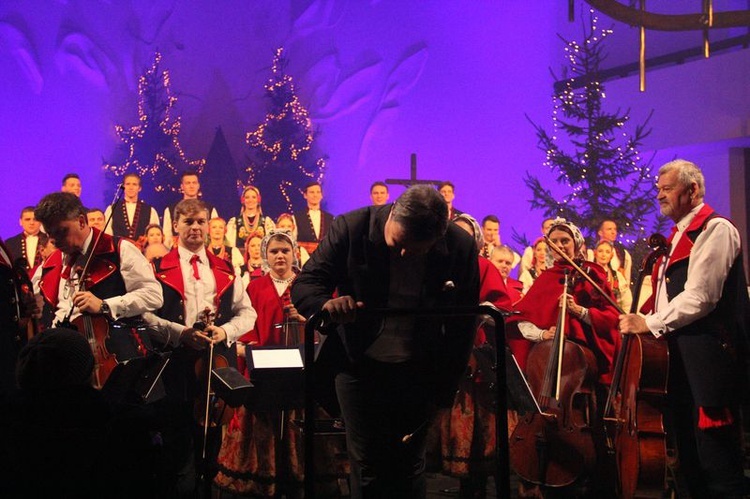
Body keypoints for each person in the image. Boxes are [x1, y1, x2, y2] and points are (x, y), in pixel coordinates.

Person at [292, 184, 480, 498]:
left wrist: (445, 390)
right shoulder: (352, 228)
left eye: (417, 249)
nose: (405, 254)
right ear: (392, 214)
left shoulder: (460, 245)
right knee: (367, 466)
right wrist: (326, 305)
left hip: (419, 368)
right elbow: (306, 284)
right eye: (399, 244)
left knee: (409, 466)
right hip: (358, 365)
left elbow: (463, 325)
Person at [619, 159, 749, 498]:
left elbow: (701, 297)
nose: (660, 196)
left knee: (717, 465)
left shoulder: (716, 229)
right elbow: (665, 300)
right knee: (689, 465)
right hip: (678, 365)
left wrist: (648, 323)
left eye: (667, 189)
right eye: (658, 189)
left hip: (709, 364)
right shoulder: (676, 239)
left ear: (692, 190)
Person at [215, 230, 348, 497]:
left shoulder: (304, 286)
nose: (280, 256)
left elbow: (326, 325)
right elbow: (246, 322)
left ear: (294, 254)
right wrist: (249, 345)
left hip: (302, 372)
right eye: (274, 251)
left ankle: (298, 476)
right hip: (265, 373)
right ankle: (265, 477)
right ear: (266, 255)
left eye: (285, 251)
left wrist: (303, 319)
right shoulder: (254, 286)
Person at [143, 198, 256, 497]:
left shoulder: (225, 267)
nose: (195, 227)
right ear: (176, 225)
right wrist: (181, 333)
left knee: (213, 447)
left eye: (200, 222)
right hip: (174, 367)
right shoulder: (156, 268)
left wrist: (223, 330)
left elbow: (248, 314)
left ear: (208, 225)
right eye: (188, 222)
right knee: (176, 447)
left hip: (216, 364)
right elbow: (144, 317)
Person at [33, 192, 163, 361]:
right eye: (49, 233)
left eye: (61, 231)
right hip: (72, 362)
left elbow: (153, 295)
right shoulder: (52, 262)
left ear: (81, 221)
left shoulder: (120, 249)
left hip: (122, 356)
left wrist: (105, 305)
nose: (54, 240)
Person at [434, 214, 511, 499]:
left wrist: (482, 309)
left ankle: (478, 483)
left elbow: (501, 305)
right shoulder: (440, 266)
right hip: (447, 356)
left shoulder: (484, 266)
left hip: (477, 360)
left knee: (481, 425)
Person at [511, 218, 620, 384]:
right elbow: (521, 319)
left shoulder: (591, 275)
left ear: (576, 243)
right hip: (547, 359)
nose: (559, 246)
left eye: (565, 241)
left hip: (584, 359)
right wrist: (542, 334)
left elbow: (611, 317)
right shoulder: (545, 278)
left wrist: (580, 311)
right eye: (554, 241)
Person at [163, 171, 218, 249]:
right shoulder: (170, 210)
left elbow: (214, 232)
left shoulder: (210, 209)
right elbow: (167, 237)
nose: (191, 186)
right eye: (188, 183)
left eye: (194, 183)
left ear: (198, 185)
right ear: (182, 186)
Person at [104, 173, 160, 240]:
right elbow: (107, 234)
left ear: (139, 188)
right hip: (119, 249)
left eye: (134, 184)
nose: (131, 187)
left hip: (141, 250)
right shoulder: (111, 209)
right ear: (123, 186)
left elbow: (155, 233)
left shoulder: (150, 210)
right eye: (128, 184)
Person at [227, 185, 275, 253]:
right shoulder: (234, 222)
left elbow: (271, 245)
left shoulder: (267, 222)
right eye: (247, 197)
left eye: (254, 197)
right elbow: (230, 245)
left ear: (258, 200)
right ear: (243, 200)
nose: (250, 200)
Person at [587, 219, 632, 285]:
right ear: (600, 232)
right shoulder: (590, 253)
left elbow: (627, 279)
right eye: (609, 229)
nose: (613, 232)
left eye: (615, 229)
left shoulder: (623, 254)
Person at [293, 181, 334, 255]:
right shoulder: (296, 217)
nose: (315, 195)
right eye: (312, 192)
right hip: (304, 259)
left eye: (318, 192)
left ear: (321, 195)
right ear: (305, 195)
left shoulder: (330, 218)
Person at [593, 239, 632, 312]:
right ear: (595, 253)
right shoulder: (589, 272)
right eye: (600, 251)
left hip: (612, 315)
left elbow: (626, 300)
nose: (603, 255)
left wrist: (624, 315)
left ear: (611, 255)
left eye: (607, 252)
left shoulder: (617, 276)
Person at [5, 206, 46, 276]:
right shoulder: (10, 243)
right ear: (20, 222)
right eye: (27, 219)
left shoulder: (49, 241)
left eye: (35, 219)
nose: (32, 223)